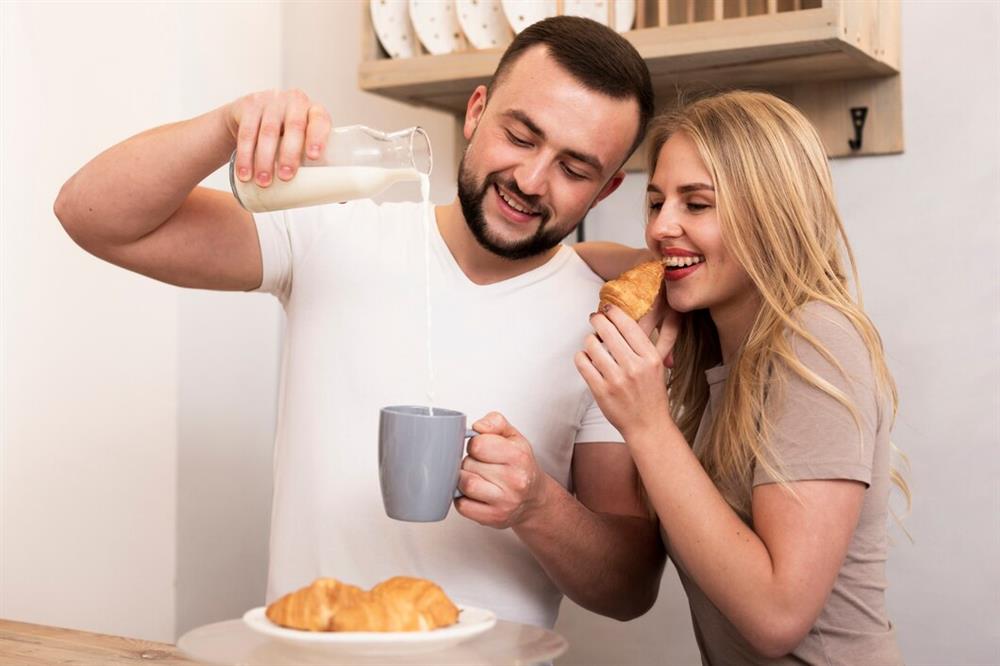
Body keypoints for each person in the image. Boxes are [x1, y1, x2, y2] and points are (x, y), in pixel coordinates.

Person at [53, 17, 665, 628]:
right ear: (477, 111)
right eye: (522, 136)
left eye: (574, 169)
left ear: (606, 190)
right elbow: (94, 215)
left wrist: (538, 505)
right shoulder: (331, 233)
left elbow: (629, 587)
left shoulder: (607, 326)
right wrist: (225, 125)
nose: (531, 180)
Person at [574, 90, 909, 662]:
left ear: (770, 212)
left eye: (696, 205)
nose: (662, 226)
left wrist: (646, 423)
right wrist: (650, 263)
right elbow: (575, 259)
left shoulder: (816, 341)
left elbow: (777, 616)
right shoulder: (721, 351)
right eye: (655, 203)